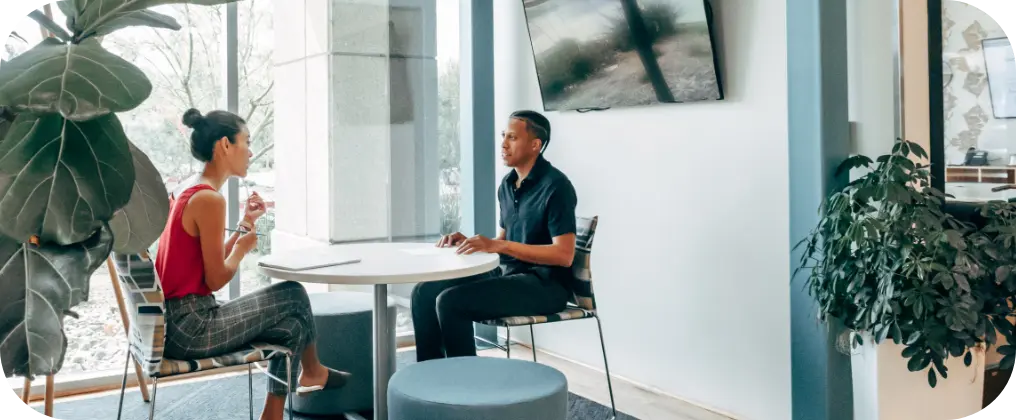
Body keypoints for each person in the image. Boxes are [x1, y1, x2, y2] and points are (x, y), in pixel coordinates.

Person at [155, 108, 350, 420]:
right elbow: (216, 278)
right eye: (246, 141)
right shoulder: (209, 200)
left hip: (180, 323)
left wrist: (244, 227)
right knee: (293, 292)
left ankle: (272, 415)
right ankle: (313, 371)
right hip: (191, 328)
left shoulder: (192, 190)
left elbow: (202, 265)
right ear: (224, 146)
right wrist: (242, 250)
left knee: (292, 326)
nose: (251, 150)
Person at [411, 110, 578, 361]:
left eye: (512, 137)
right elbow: (503, 241)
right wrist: (475, 243)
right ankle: (429, 376)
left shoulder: (556, 187)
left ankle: (468, 386)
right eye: (503, 136)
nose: (503, 144)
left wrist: (498, 246)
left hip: (544, 286)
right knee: (424, 292)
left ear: (535, 145)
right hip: (508, 274)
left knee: (451, 302)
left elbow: (564, 255)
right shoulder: (508, 184)